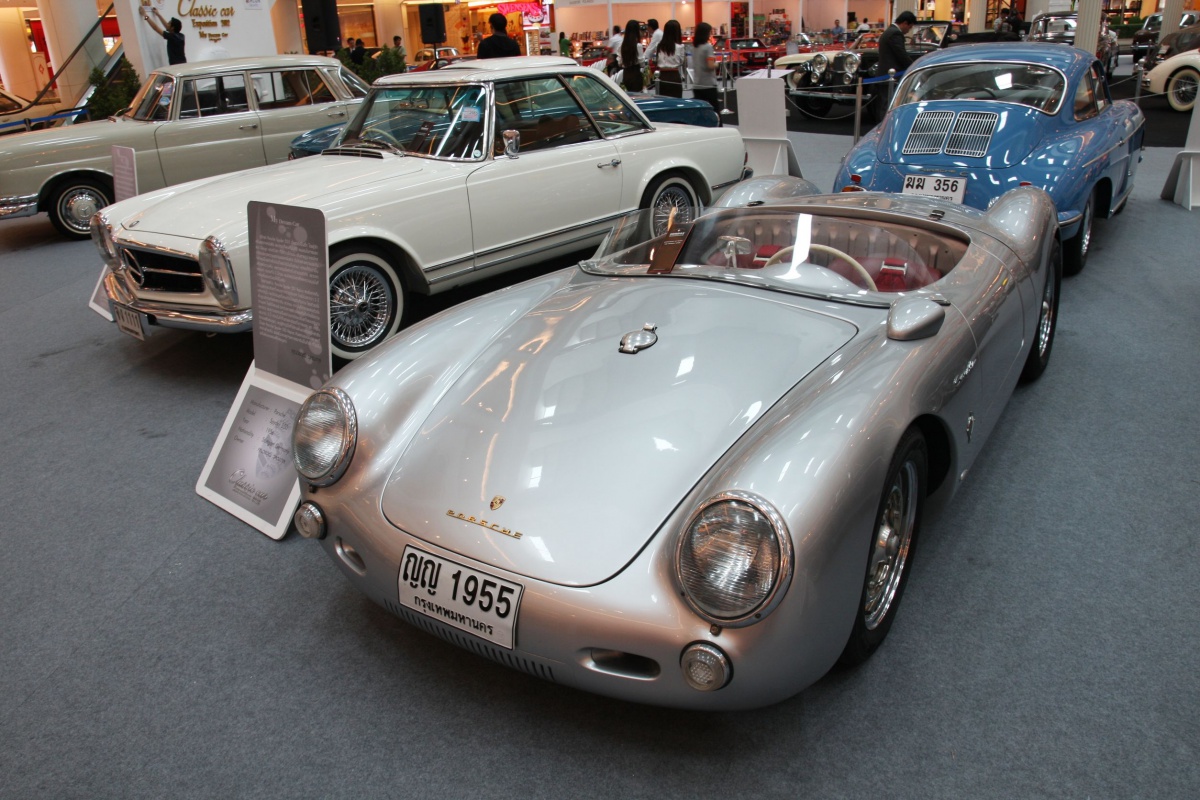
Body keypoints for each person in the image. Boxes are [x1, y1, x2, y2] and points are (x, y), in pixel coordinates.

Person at [692, 22, 720, 114]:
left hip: (697, 84)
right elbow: (710, 65)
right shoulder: (708, 47)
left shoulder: (694, 47)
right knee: (714, 112)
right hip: (708, 85)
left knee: (701, 112)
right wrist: (719, 64)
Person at [653, 19, 685, 98]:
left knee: (663, 100)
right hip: (674, 76)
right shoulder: (680, 47)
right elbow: (681, 61)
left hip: (662, 76)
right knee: (676, 101)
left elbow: (656, 60)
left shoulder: (659, 45)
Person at [878, 11, 916, 76]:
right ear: (905, 23)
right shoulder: (895, 34)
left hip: (885, 72)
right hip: (891, 74)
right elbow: (902, 55)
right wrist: (914, 67)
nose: (908, 30)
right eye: (909, 27)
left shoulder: (890, 30)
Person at [619, 19, 645, 91]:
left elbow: (619, 63)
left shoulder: (622, 46)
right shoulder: (638, 46)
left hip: (626, 74)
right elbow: (642, 64)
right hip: (635, 74)